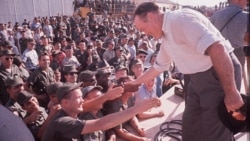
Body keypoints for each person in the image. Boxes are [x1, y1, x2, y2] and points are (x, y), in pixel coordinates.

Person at [132, 2, 244, 141]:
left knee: (216, 129)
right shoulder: (166, 35)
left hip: (218, 74)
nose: (145, 34)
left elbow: (217, 49)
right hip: (197, 79)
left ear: (150, 16)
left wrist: (231, 92)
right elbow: (158, 67)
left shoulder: (181, 20)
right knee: (191, 125)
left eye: (143, 29)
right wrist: (135, 82)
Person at [41, 82, 160, 141]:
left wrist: (121, 89)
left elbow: (96, 103)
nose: (82, 101)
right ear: (65, 103)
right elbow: (101, 124)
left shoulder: (70, 111)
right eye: (79, 98)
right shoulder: (62, 121)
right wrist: (136, 109)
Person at [210, 0, 249, 92]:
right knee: (234, 88)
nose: (246, 2)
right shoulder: (246, 16)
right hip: (236, 53)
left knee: (217, 85)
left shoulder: (216, 15)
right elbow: (248, 39)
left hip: (215, 53)